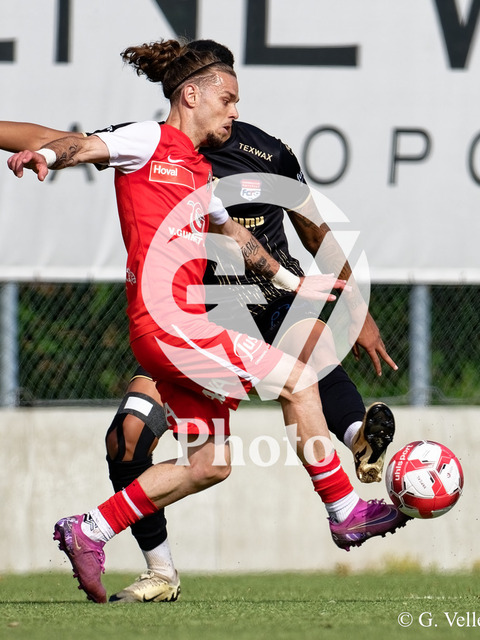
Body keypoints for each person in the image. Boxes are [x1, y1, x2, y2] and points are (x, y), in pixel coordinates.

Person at [5, 40, 408, 604]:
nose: (235, 110)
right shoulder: (148, 139)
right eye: (228, 98)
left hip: (189, 327)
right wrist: (49, 157)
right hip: (172, 324)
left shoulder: (201, 171)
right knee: (293, 380)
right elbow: (80, 144)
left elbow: (236, 236)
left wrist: (296, 283)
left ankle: (88, 530)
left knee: (210, 464)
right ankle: (345, 511)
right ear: (191, 95)